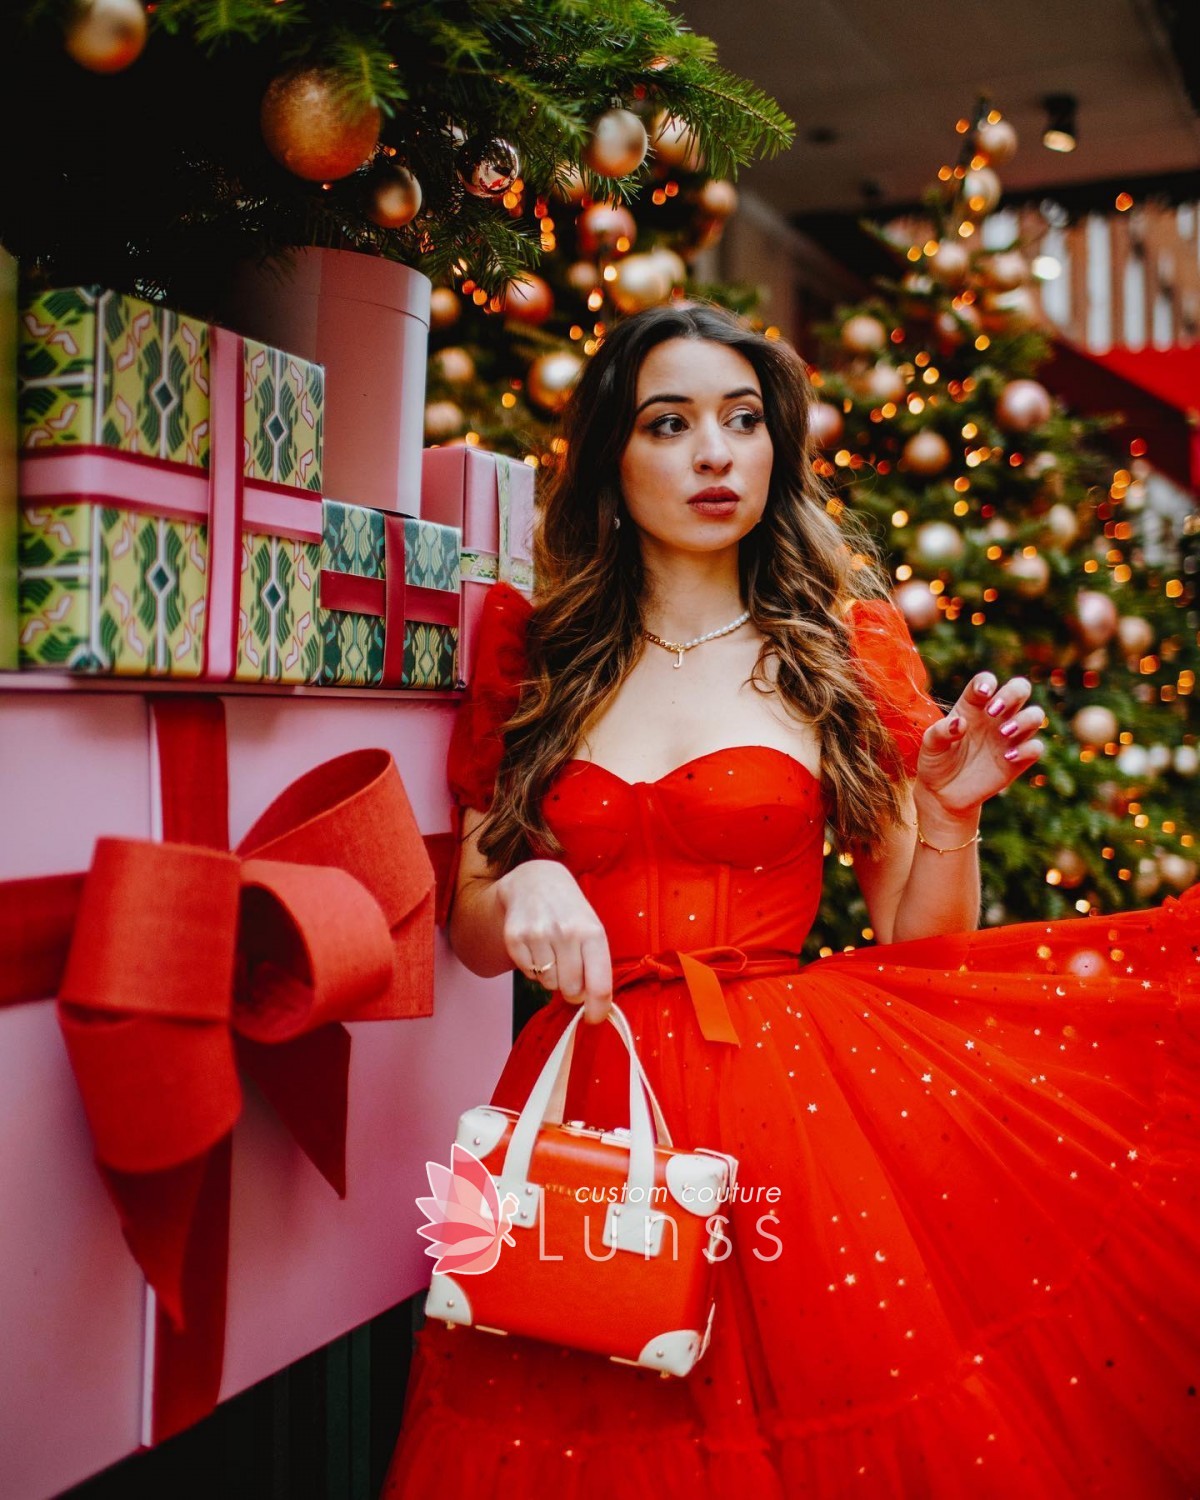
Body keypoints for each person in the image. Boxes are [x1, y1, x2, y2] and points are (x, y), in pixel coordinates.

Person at [384, 302, 1200, 1498]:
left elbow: (923, 938)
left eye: (743, 419)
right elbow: (468, 922)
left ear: (777, 447)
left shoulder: (841, 650)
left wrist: (955, 813)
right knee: (570, 1428)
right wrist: (530, 885)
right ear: (614, 451)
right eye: (671, 423)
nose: (715, 452)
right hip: (582, 1107)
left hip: (792, 1115)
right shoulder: (534, 648)